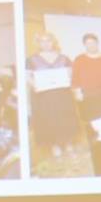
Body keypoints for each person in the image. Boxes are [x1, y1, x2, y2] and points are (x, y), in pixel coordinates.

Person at [26, 32, 79, 162]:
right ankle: (54, 145)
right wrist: (35, 85)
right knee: (49, 118)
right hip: (43, 95)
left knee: (64, 117)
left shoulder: (64, 58)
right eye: (42, 41)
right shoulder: (31, 60)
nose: (46, 44)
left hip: (62, 94)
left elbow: (70, 74)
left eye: (48, 40)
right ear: (38, 43)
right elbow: (28, 76)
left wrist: (67, 79)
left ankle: (68, 144)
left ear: (53, 42)